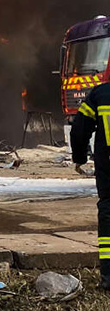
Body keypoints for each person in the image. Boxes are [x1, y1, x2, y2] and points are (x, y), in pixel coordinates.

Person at [71, 81, 110, 290]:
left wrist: (79, 157)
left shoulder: (101, 94)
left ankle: (109, 277)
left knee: (108, 216)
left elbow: (79, 128)